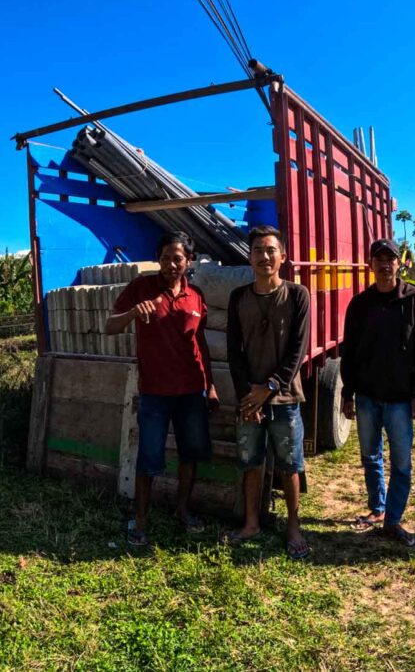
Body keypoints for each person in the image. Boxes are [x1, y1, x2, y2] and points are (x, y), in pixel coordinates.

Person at [105, 231, 219, 546]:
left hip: (192, 390)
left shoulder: (196, 296)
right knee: (149, 456)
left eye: (178, 258)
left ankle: (182, 510)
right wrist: (132, 313)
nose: (171, 263)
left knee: (190, 454)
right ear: (159, 258)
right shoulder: (141, 288)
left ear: (189, 261)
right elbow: (109, 326)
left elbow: (201, 344)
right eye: (166, 257)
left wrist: (210, 386)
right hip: (155, 392)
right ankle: (140, 520)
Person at [224, 225, 312, 559]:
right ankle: (251, 523)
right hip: (250, 400)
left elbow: (297, 350)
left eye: (271, 250)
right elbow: (234, 352)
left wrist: (269, 388)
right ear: (249, 257)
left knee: (289, 465)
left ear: (283, 256)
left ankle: (293, 526)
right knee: (250, 462)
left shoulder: (297, 295)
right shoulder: (238, 298)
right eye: (258, 250)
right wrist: (249, 394)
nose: (265, 256)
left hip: (285, 399)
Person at [340, 238, 415, 547]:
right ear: (370, 264)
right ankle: (377, 509)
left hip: (400, 399)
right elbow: (349, 351)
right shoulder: (360, 304)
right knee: (370, 456)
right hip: (366, 395)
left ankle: (393, 520)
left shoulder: (413, 299)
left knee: (401, 463)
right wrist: (346, 393)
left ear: (398, 263)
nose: (384, 264)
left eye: (390, 258)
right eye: (378, 259)